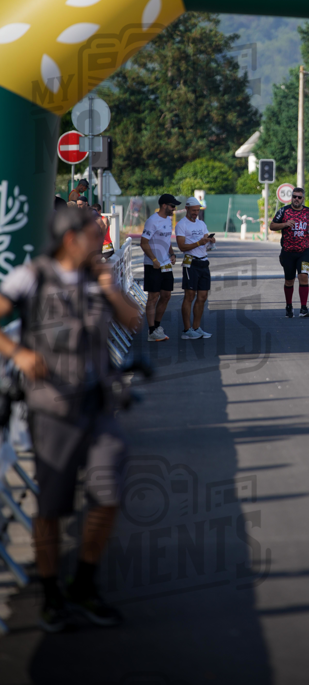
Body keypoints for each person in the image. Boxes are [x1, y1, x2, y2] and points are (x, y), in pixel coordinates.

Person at [0, 208, 141, 632]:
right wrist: (18, 353)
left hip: (98, 407)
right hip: (52, 410)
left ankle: (84, 581)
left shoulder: (100, 278)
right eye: (93, 235)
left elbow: (133, 320)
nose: (100, 241)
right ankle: (50, 591)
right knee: (52, 507)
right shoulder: (32, 277)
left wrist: (110, 288)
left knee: (109, 493)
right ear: (69, 239)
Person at [270, 186, 309, 317]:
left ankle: (303, 308)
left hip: (304, 252)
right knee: (289, 281)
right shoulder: (284, 211)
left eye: (299, 197)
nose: (296, 199)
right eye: (294, 196)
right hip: (288, 252)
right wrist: (284, 224)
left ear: (303, 199)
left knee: (304, 276)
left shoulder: (308, 211)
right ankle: (289, 306)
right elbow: (272, 226)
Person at [140, 194, 180, 342]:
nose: (174, 209)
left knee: (166, 295)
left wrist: (172, 253)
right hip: (153, 265)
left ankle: (157, 327)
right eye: (172, 206)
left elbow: (167, 239)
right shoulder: (152, 221)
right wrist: (154, 260)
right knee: (153, 297)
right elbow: (143, 243)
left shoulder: (168, 220)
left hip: (166, 264)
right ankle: (151, 331)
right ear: (164, 205)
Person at [175, 196, 214, 339]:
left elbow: (206, 244)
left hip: (204, 262)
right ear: (186, 209)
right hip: (190, 262)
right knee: (189, 295)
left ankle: (197, 328)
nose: (195, 213)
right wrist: (199, 243)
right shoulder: (181, 225)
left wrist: (210, 241)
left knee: (203, 296)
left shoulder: (201, 224)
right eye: (193, 210)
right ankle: (187, 330)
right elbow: (181, 246)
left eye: (197, 210)